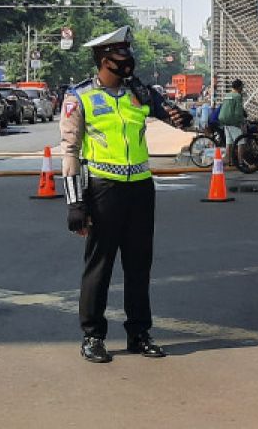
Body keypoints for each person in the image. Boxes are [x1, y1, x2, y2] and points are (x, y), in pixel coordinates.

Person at [60, 26, 187, 364]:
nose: (127, 60)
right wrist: (75, 201)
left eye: (128, 53)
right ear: (104, 60)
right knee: (100, 265)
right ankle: (92, 336)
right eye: (120, 54)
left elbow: (175, 118)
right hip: (103, 188)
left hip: (141, 186)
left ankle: (138, 333)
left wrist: (179, 116)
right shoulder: (80, 96)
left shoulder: (139, 94)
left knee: (138, 264)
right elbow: (71, 150)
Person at [217, 79, 247, 156]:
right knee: (241, 142)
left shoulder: (227, 95)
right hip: (233, 122)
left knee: (229, 142)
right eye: (242, 87)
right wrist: (241, 122)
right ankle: (241, 163)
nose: (242, 89)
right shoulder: (237, 96)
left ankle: (229, 161)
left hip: (224, 121)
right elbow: (238, 112)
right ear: (239, 87)